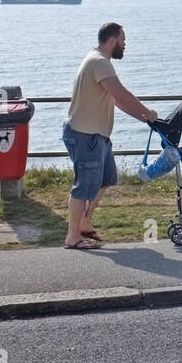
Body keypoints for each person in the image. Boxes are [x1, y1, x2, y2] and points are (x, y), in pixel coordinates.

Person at [61, 23, 157, 250]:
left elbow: (118, 100)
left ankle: (84, 223)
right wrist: (148, 111)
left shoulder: (99, 62)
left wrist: (144, 118)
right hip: (85, 135)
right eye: (123, 40)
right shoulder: (99, 62)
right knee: (83, 186)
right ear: (112, 41)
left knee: (106, 179)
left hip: (97, 136)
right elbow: (121, 92)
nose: (125, 45)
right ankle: (72, 236)